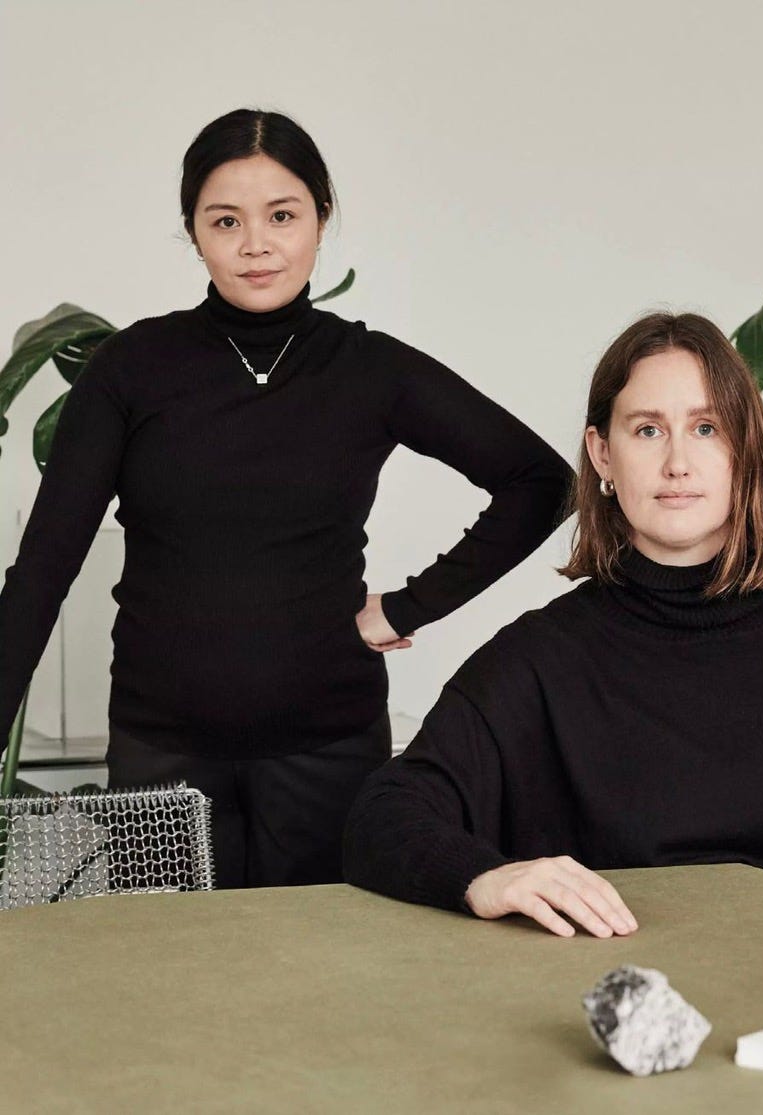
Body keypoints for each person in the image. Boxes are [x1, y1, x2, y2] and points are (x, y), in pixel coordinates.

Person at [0, 108, 572, 888]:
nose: (256, 244)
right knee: (169, 989)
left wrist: (408, 607)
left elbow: (542, 482)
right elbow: (42, 571)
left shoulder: (369, 369)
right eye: (225, 220)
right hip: (161, 757)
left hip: (331, 754)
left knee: (324, 996)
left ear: (321, 219)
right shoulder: (131, 369)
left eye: (282, 215)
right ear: (193, 232)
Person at [343, 310, 763, 937]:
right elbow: (385, 815)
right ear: (602, 454)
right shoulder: (544, 660)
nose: (677, 462)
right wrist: (484, 877)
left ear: (744, 449)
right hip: (647, 1008)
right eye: (646, 430)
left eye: (706, 427)